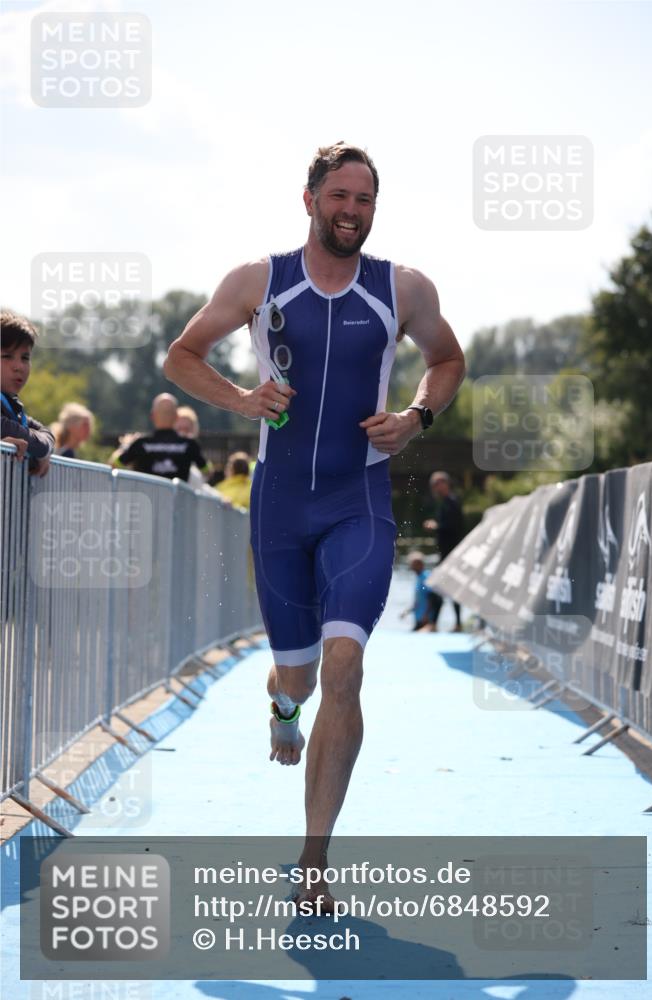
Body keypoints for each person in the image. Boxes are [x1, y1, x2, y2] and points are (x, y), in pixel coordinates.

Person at [163, 142, 465, 908]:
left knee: (345, 664)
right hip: (279, 505)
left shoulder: (402, 287)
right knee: (296, 672)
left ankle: (312, 861)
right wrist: (237, 398)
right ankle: (282, 704)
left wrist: (416, 415)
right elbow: (181, 355)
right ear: (308, 199)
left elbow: (446, 359)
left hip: (356, 501)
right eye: (339, 196)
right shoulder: (259, 281)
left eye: (364, 200)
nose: (351, 212)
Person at [109, 393, 212, 482]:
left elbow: (114, 465)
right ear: (176, 416)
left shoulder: (140, 443)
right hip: (177, 504)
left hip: (146, 503)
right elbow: (207, 471)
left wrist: (125, 446)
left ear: (152, 416)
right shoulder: (189, 444)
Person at [1, 309, 53, 476]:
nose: (19, 366)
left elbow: (47, 436)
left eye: (25, 358)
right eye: (7, 356)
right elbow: (41, 444)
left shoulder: (12, 405)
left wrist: (40, 452)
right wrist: (39, 450)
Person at [423, 470, 465, 631]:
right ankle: (454, 623)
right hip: (446, 554)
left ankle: (436, 624)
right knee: (443, 588)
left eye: (437, 484)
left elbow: (454, 527)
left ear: (445, 484)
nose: (435, 488)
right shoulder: (446, 502)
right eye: (433, 485)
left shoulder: (452, 502)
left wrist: (436, 526)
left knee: (437, 587)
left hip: (451, 555)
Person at [400, 551, 437, 631]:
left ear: (420, 564)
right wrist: (407, 611)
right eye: (411, 564)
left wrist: (426, 615)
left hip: (426, 619)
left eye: (413, 564)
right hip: (419, 618)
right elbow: (418, 600)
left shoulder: (426, 577)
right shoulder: (418, 578)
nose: (411, 566)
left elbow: (433, 597)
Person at [174, 404, 209, 488]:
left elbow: (207, 473)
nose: (182, 433)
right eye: (179, 429)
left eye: (187, 429)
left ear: (194, 430)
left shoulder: (196, 451)